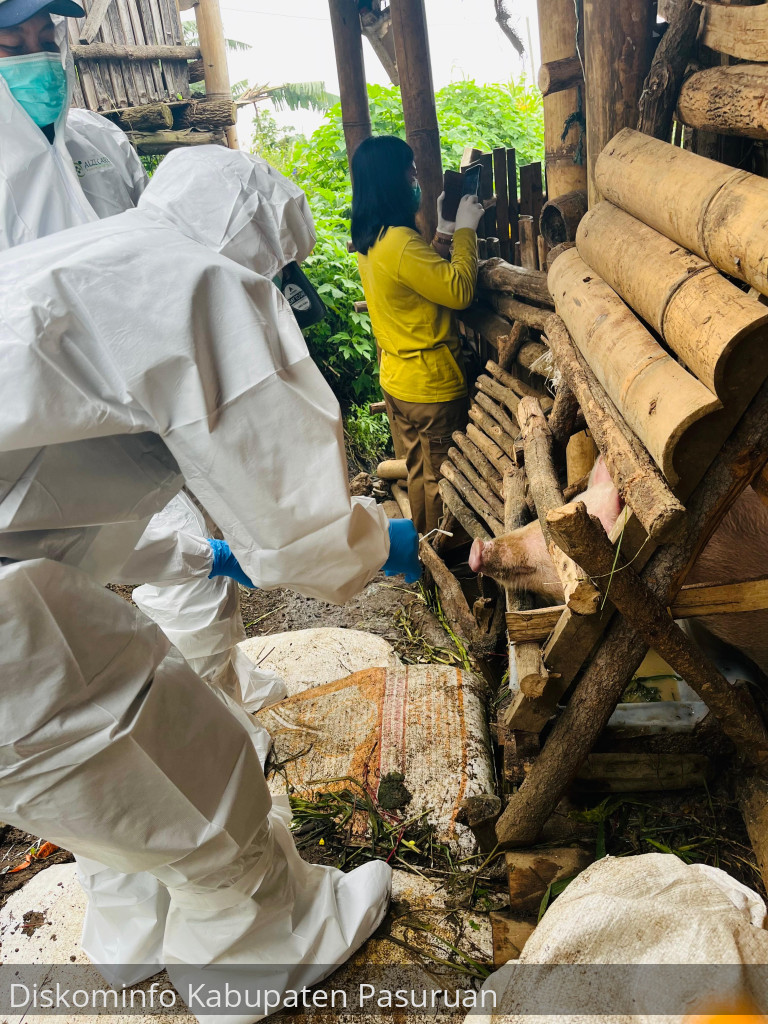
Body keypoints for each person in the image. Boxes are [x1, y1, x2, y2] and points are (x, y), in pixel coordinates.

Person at [0, 145, 421, 1013]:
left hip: (18, 568)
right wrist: (380, 542)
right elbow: (297, 527)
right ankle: (257, 948)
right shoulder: (201, 282)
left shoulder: (79, 258)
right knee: (170, 754)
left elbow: (47, 492)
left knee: (86, 784)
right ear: (260, 239)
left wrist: (199, 555)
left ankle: (129, 933)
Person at [352, 135, 485, 535]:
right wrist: (465, 231)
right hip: (431, 388)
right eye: (409, 171)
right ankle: (439, 564)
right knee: (441, 480)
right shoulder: (401, 242)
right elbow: (458, 290)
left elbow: (416, 275)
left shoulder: (372, 239)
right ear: (391, 181)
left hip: (398, 382)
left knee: (418, 472)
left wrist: (443, 228)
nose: (416, 178)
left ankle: (424, 558)